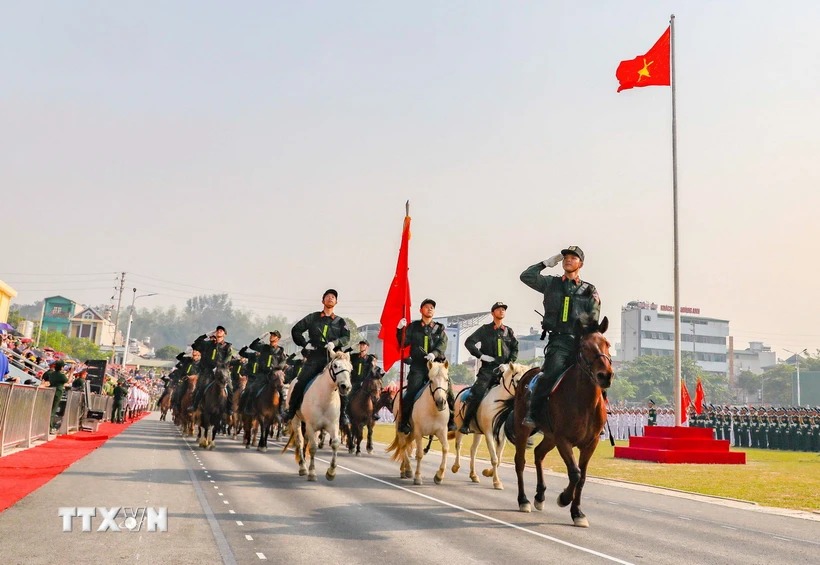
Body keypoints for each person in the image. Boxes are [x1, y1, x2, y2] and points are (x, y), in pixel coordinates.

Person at [519, 245, 600, 428]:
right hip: (559, 342)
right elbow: (526, 277)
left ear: (581, 264)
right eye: (565, 257)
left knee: (599, 373)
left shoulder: (589, 289)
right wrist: (545, 263)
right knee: (549, 373)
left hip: (581, 344)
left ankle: (597, 418)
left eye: (573, 257)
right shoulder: (551, 283)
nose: (568, 260)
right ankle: (533, 414)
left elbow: (594, 317)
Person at [283, 289, 350, 423]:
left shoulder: (340, 321)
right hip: (314, 357)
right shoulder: (313, 317)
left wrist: (335, 343)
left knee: (344, 382)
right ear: (322, 300)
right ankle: (290, 411)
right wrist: (304, 344)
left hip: (332, 359)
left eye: (333, 297)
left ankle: (342, 415)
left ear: (336, 302)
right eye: (328, 296)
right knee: (301, 381)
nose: (330, 298)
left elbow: (346, 337)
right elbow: (296, 330)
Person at [396, 298, 455, 434]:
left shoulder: (439, 328)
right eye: (427, 307)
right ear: (421, 310)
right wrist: (399, 330)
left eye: (432, 307)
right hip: (419, 366)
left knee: (449, 390)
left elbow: (443, 344)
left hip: (437, 366)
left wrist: (434, 354)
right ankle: (404, 421)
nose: (430, 309)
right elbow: (403, 343)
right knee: (411, 391)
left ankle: (451, 419)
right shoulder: (413, 327)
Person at [460, 301, 519, 434]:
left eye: (503, 309)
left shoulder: (508, 331)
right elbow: (469, 342)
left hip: (505, 371)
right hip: (488, 370)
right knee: (478, 392)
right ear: (493, 313)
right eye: (498, 309)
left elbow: (515, 348)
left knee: (518, 393)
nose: (501, 311)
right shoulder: (485, 329)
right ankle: (466, 423)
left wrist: (509, 363)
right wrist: (480, 356)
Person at [239, 331, 286, 415]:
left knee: (282, 391)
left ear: (278, 339)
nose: (271, 336)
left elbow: (283, 361)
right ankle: (249, 408)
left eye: (274, 335)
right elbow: (252, 346)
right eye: (271, 335)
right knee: (251, 389)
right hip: (262, 375)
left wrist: (277, 368)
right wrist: (260, 338)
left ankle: (281, 410)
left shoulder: (280, 351)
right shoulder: (264, 347)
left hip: (273, 375)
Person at [190, 325, 234, 414]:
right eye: (218, 330)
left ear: (224, 334)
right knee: (201, 387)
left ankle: (229, 408)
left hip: (222, 371)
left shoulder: (227, 346)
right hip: (208, 371)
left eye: (221, 330)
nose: (219, 331)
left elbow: (228, 358)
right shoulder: (208, 344)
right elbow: (196, 343)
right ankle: (194, 406)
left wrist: (220, 366)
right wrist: (206, 334)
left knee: (230, 388)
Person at [348, 339, 380, 421]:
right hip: (354, 382)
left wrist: (373, 366)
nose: (361, 346)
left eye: (364, 345)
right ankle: (345, 414)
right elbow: (344, 354)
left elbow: (373, 373)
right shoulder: (354, 356)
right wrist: (351, 348)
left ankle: (375, 413)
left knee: (375, 396)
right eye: (361, 344)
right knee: (347, 396)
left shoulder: (370, 359)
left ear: (367, 347)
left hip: (366, 384)